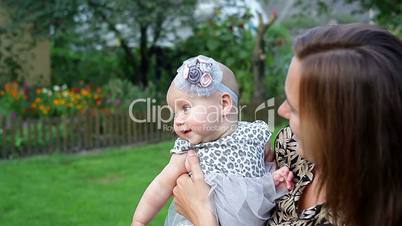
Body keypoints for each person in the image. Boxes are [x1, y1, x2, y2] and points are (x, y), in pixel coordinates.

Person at [172, 23, 402, 226]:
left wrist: (203, 215)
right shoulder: (290, 148)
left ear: (342, 127)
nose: (281, 110)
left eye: (294, 107)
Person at [131, 55, 293, 226]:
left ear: (224, 104)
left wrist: (275, 177)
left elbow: (266, 165)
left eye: (185, 108)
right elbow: (160, 185)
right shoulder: (189, 150)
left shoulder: (254, 134)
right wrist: (139, 221)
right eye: (174, 113)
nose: (177, 121)